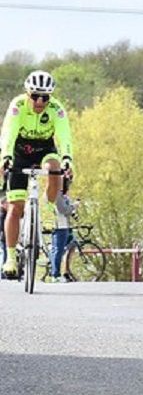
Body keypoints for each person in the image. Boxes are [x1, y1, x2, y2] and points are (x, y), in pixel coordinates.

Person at [0, 70, 73, 278]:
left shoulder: (56, 109)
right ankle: (10, 258)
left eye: (45, 97)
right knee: (15, 207)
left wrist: (68, 158)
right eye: (35, 96)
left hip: (44, 149)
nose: (40, 101)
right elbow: (8, 133)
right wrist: (5, 157)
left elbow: (64, 135)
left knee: (54, 167)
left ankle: (48, 210)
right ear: (27, 94)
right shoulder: (18, 106)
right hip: (19, 151)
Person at [49, 183, 79, 282]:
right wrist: (74, 206)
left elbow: (67, 209)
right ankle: (55, 275)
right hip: (60, 226)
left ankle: (63, 272)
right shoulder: (58, 194)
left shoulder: (62, 195)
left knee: (71, 245)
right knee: (58, 250)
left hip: (64, 226)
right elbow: (63, 210)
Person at [0, 197, 7, 269]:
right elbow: (1, 227)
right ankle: (2, 270)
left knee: (5, 254)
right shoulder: (2, 214)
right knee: (4, 254)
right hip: (4, 237)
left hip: (4, 237)